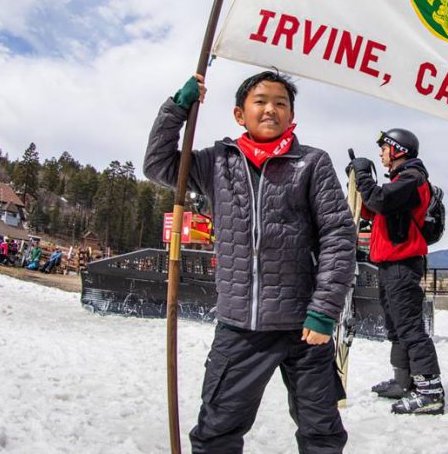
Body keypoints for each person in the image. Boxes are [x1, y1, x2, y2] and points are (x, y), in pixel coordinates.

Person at [144, 70, 355, 453]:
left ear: (292, 116)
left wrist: (324, 310)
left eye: (281, 103)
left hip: (305, 328)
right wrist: (177, 108)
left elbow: (338, 236)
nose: (270, 109)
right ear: (240, 113)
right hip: (239, 326)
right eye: (260, 101)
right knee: (216, 432)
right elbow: (158, 166)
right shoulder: (217, 164)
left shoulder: (312, 163)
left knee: (321, 433)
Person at [349, 128, 444, 415]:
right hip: (390, 263)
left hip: (403, 263)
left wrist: (364, 175)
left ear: (397, 149)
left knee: (410, 328)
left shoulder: (412, 178)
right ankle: (403, 381)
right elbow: (373, 209)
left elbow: (379, 200)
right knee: (396, 327)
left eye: (384, 149)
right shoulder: (400, 182)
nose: (380, 154)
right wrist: (357, 181)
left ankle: (430, 392)